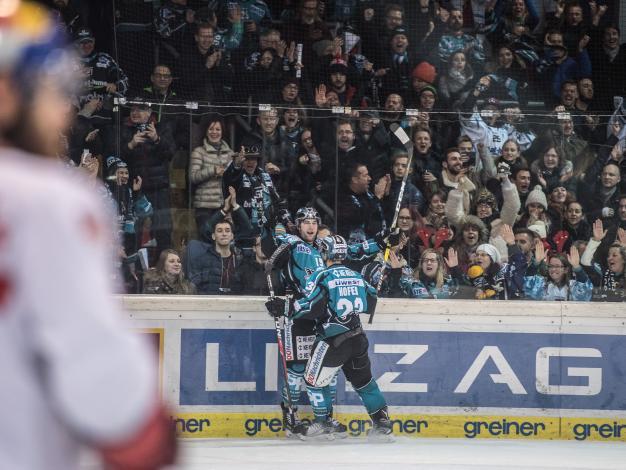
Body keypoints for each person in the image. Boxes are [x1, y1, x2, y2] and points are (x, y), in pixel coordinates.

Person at [0, 3, 176, 468]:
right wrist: (148, 435)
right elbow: (97, 371)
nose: (62, 109)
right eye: (51, 89)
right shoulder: (48, 199)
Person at [266, 235, 393, 440]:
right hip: (358, 337)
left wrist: (285, 307)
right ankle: (382, 424)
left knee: (312, 379)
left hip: (334, 340)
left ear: (325, 253)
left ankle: (323, 422)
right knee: (364, 383)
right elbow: (371, 299)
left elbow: (311, 307)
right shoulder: (356, 275)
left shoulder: (324, 276)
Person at [74, 26, 129, 126]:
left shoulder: (105, 59)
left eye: (89, 41)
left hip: (105, 112)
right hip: (77, 113)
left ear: (94, 41)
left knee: (117, 103)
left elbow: (125, 81)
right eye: (82, 43)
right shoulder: (68, 62)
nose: (86, 45)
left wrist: (115, 86)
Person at [189, 115, 235, 232]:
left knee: (222, 241)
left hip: (224, 206)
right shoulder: (198, 152)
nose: (214, 132)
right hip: (204, 208)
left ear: (222, 132)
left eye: (217, 129)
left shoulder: (230, 153)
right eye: (211, 129)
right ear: (206, 131)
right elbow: (193, 177)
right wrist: (213, 170)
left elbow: (235, 180)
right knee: (206, 239)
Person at [184, 219, 243, 294]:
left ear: (232, 236)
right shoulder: (202, 260)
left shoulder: (239, 260)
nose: (224, 234)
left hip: (236, 303)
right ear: (213, 236)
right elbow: (193, 287)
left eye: (227, 231)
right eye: (219, 231)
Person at [524, 246, 592, 301]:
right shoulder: (542, 284)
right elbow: (528, 281)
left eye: (557, 266)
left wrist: (577, 268)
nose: (553, 269)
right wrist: (536, 263)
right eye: (550, 266)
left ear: (566, 270)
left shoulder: (573, 286)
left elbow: (584, 290)